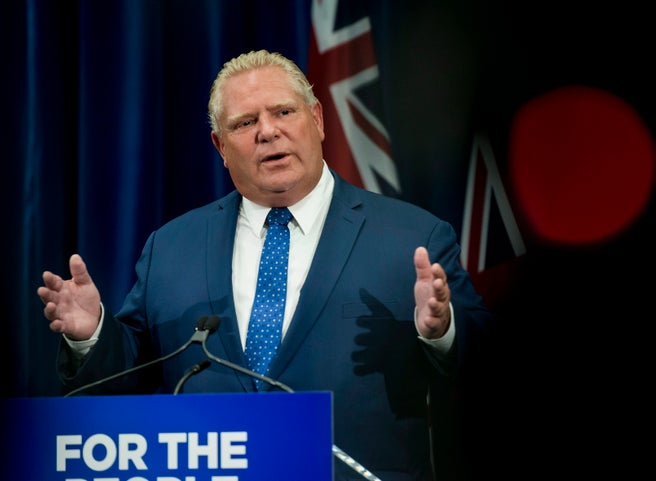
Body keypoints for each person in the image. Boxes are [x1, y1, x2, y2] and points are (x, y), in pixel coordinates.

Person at [38, 49, 492, 481]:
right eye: (245, 122)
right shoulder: (172, 247)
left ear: (316, 119)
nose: (268, 131)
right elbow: (130, 377)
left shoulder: (411, 238)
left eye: (283, 112)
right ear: (220, 145)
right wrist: (93, 334)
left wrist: (442, 331)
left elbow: (491, 365)